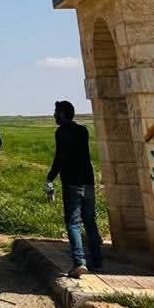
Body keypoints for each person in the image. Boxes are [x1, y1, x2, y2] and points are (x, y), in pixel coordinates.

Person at [45, 99, 102, 277]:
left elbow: (60, 157)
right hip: (88, 182)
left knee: (73, 223)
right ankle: (97, 260)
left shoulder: (61, 132)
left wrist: (50, 178)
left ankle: (79, 262)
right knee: (90, 221)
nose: (54, 116)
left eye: (56, 113)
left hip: (72, 183)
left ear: (62, 114)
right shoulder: (83, 130)